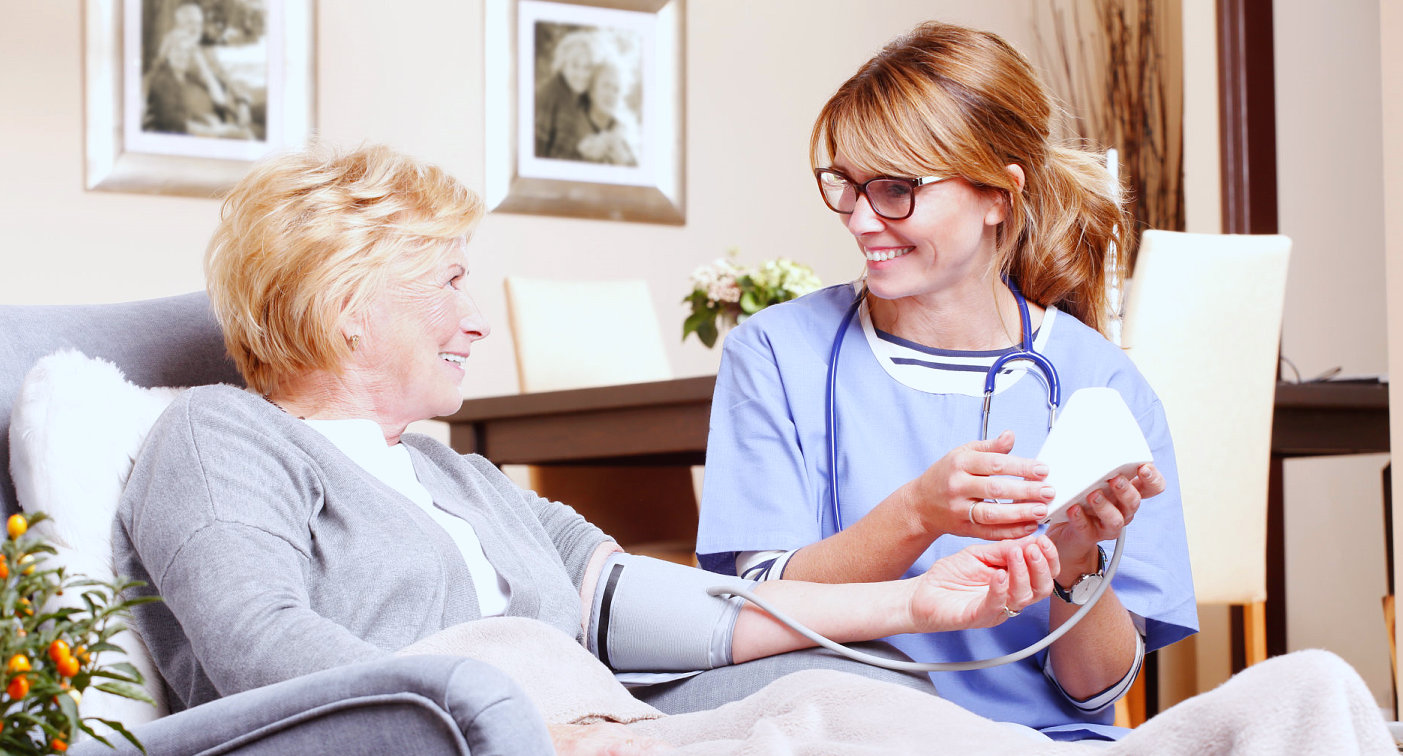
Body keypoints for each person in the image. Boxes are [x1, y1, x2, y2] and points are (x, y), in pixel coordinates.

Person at [110, 142, 1066, 754]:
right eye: (448, 281)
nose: (476, 321)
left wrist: (912, 602)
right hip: (503, 737)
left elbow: (663, 608)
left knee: (843, 698)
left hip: (608, 726)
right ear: (347, 303)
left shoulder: (460, 477)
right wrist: (520, 725)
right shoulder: (220, 436)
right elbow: (261, 649)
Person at [696, 20, 1196, 742]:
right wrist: (917, 513)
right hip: (844, 736)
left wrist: (1076, 562)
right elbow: (761, 610)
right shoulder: (774, 354)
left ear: (999, 195)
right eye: (846, 184)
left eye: (896, 189)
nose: (863, 219)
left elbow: (1094, 695)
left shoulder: (1103, 385)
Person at [144, 2, 253, 139]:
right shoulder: (174, 60)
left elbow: (228, 78)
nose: (196, 28)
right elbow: (171, 114)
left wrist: (242, 101)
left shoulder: (207, 54)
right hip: (205, 125)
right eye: (190, 23)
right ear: (178, 26)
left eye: (199, 23)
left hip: (227, 114)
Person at [534, 30, 599, 160]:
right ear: (563, 65)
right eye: (575, 66)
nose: (582, 74)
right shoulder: (548, 97)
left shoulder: (583, 97)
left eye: (587, 67)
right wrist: (580, 152)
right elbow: (537, 157)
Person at [576, 55, 640, 167]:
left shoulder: (625, 136)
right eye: (606, 86)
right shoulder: (572, 127)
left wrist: (623, 162)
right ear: (591, 91)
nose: (611, 94)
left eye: (616, 89)